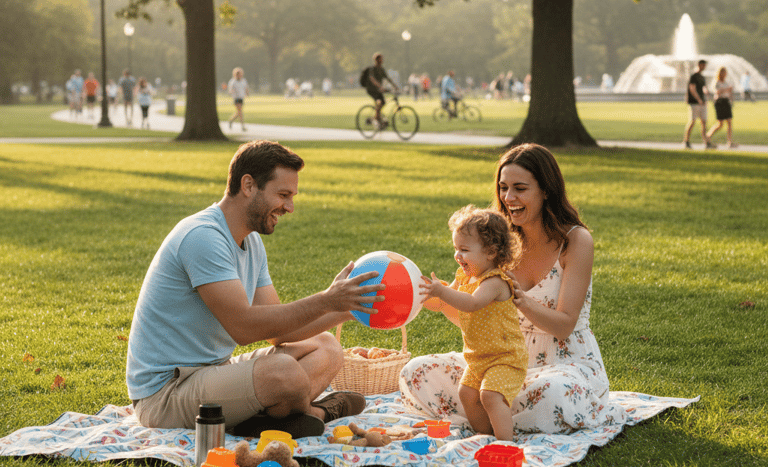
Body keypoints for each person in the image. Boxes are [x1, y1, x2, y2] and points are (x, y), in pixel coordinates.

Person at [126, 140, 382, 438]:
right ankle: (317, 412)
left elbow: (278, 331)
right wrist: (326, 300)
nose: (289, 207)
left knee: (327, 347)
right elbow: (243, 328)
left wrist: (346, 309)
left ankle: (263, 418)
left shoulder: (251, 241)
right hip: (165, 394)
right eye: (283, 195)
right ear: (248, 185)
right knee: (283, 372)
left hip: (211, 372)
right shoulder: (202, 237)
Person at [400, 143, 628, 434]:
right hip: (499, 358)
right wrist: (442, 298)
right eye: (503, 188)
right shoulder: (496, 243)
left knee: (554, 392)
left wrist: (522, 302)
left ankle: (499, 413)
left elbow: (564, 327)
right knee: (417, 372)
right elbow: (472, 314)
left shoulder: (575, 241)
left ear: (546, 190)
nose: (509, 198)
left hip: (563, 363)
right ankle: (504, 415)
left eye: (520, 188)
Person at [419, 205, 527, 441]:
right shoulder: (464, 276)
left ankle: (505, 443)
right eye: (456, 248)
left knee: (490, 396)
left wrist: (442, 291)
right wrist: (427, 296)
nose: (458, 255)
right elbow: (443, 305)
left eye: (465, 249)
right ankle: (484, 436)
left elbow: (470, 303)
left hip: (505, 357)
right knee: (467, 393)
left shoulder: (495, 281)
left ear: (490, 252)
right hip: (478, 357)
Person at [683, 60, 716, 150]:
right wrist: (698, 99)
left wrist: (707, 94)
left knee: (704, 122)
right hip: (694, 102)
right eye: (703, 65)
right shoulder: (694, 76)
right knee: (692, 121)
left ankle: (706, 142)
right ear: (699, 65)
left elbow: (703, 88)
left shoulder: (702, 77)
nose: (704, 67)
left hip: (702, 102)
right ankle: (686, 141)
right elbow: (692, 88)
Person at [362, 53, 399, 128]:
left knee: (383, 102)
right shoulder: (372, 69)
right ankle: (375, 119)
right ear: (377, 60)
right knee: (381, 102)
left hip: (378, 89)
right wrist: (380, 86)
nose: (382, 60)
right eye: (381, 59)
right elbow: (372, 79)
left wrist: (395, 86)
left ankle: (377, 118)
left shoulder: (381, 69)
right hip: (371, 89)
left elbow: (387, 78)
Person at [706, 66, 737, 149]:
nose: (724, 74)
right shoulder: (717, 82)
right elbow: (717, 91)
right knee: (720, 124)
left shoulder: (726, 82)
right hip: (720, 102)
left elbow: (729, 92)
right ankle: (708, 136)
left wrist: (731, 100)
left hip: (726, 102)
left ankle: (729, 141)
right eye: (722, 72)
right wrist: (727, 89)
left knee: (729, 122)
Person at [228, 67, 249, 131]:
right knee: (240, 112)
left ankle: (231, 120)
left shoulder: (243, 81)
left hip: (241, 97)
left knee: (239, 112)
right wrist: (232, 92)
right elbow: (230, 90)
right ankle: (242, 126)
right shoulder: (233, 81)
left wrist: (247, 93)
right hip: (236, 98)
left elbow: (246, 88)